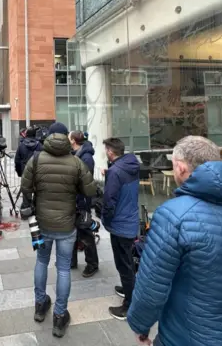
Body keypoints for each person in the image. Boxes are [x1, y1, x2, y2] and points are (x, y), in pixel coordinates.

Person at [127, 136, 222, 346]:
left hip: (184, 338)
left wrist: (140, 327)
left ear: (180, 168)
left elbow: (151, 289)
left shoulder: (172, 216)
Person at [21, 122, 97, 338]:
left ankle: (39, 305)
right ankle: (59, 315)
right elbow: (90, 189)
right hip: (66, 225)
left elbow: (25, 187)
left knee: (41, 262)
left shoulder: (36, 159)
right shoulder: (75, 162)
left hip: (42, 224)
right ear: (66, 138)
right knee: (63, 269)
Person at [101, 137, 141, 320]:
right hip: (130, 220)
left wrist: (105, 219)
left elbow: (109, 201)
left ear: (110, 151)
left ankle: (129, 305)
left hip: (119, 224)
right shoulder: (130, 165)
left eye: (106, 150)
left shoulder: (115, 171)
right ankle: (128, 289)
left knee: (123, 265)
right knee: (127, 262)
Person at [68, 130, 99, 278]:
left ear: (73, 140)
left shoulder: (86, 157)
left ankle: (92, 264)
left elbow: (85, 181)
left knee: (85, 232)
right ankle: (72, 260)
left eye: (69, 137)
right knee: (73, 230)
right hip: (74, 199)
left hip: (82, 200)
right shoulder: (74, 154)